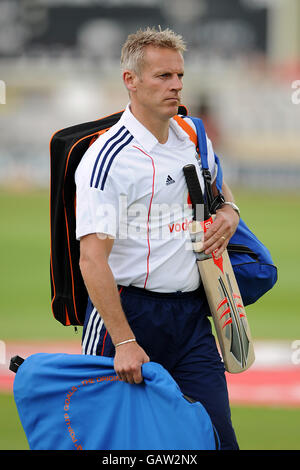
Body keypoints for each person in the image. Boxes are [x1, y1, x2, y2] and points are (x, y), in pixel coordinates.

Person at [75, 27, 240, 450]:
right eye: (163, 76)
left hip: (190, 318)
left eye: (179, 76)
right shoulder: (106, 158)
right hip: (127, 316)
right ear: (130, 80)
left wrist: (230, 213)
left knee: (217, 439)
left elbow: (219, 191)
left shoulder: (192, 137)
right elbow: (92, 260)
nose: (177, 85)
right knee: (112, 446)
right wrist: (125, 341)